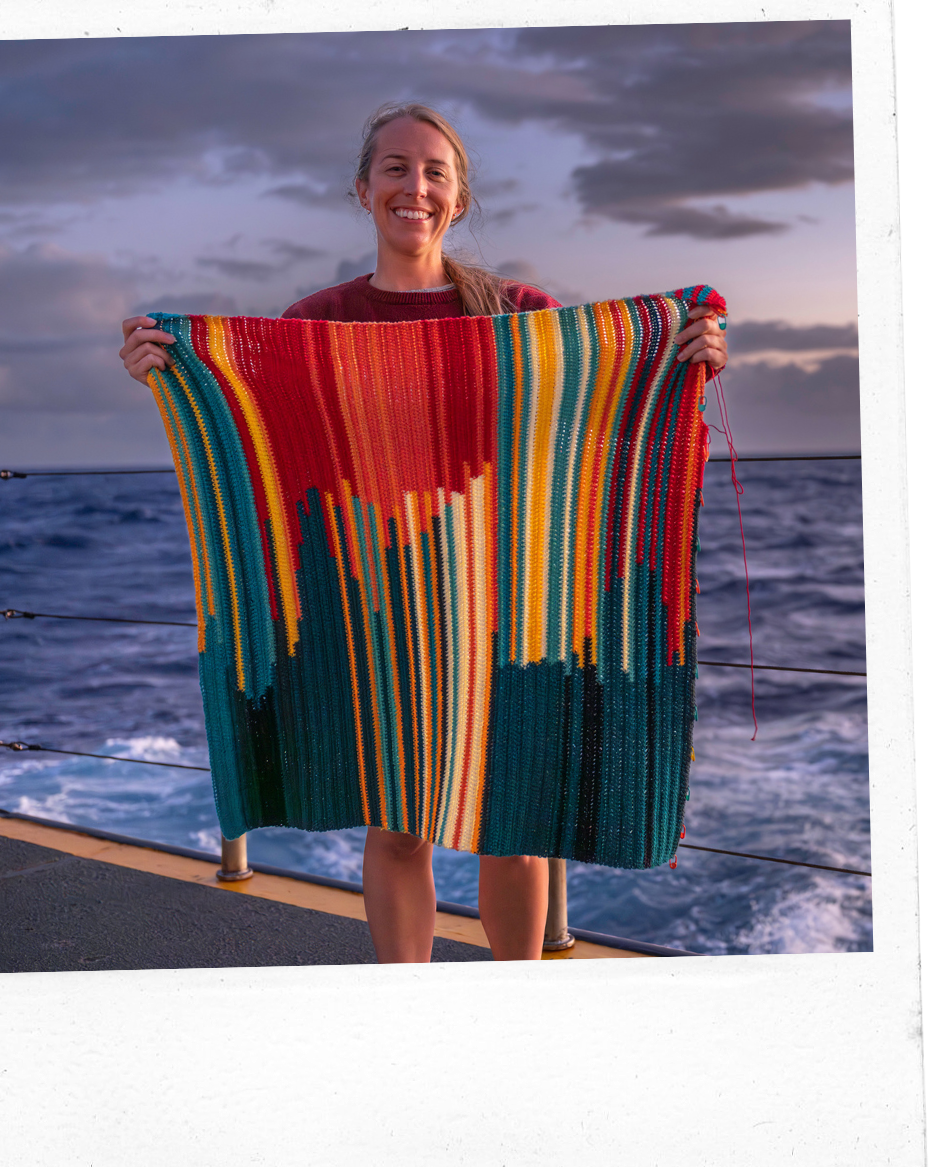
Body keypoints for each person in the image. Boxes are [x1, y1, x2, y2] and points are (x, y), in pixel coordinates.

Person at [119, 103, 728, 964]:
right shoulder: (318, 321)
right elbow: (268, 447)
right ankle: (407, 1018)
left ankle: (509, 1011)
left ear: (460, 197)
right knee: (400, 830)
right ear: (364, 190)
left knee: (513, 828)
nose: (417, 186)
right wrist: (171, 373)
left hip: (506, 611)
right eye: (397, 168)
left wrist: (682, 351)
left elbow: (588, 421)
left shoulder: (519, 314)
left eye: (436, 171)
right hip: (379, 613)